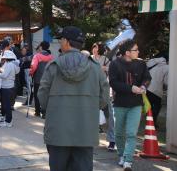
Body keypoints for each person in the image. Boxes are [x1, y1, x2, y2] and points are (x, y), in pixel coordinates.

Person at [38, 26, 109, 171]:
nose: (60, 43)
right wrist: (89, 108)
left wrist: (53, 110)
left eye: (61, 40)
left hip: (58, 130)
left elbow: (42, 96)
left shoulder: (53, 66)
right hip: (85, 130)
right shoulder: (95, 68)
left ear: (66, 42)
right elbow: (104, 98)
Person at [109, 40, 151, 170]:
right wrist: (131, 88)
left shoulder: (141, 63)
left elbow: (147, 77)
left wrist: (144, 86)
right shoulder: (115, 64)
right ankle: (121, 155)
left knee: (132, 133)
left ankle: (128, 160)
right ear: (127, 53)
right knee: (119, 133)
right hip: (120, 103)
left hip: (136, 104)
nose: (138, 52)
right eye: (135, 50)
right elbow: (113, 83)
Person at [92, 42, 115, 151]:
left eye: (95, 47)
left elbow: (112, 71)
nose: (94, 49)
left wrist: (105, 68)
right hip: (91, 91)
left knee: (109, 115)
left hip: (104, 90)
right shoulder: (89, 58)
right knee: (90, 115)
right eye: (93, 47)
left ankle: (112, 140)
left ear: (99, 48)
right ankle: (90, 139)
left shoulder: (105, 59)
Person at [0, 50, 20, 127]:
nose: (3, 59)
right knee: (7, 104)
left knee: (6, 105)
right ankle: (7, 120)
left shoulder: (8, 64)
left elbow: (4, 75)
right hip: (10, 86)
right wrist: (0, 70)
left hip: (6, 87)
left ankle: (8, 122)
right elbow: (7, 73)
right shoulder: (13, 64)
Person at [30, 41, 53, 118]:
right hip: (48, 79)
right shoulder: (51, 57)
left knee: (37, 95)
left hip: (38, 78)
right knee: (46, 95)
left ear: (41, 47)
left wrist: (31, 73)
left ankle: (37, 112)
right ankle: (44, 112)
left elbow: (33, 66)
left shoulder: (37, 56)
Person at [146, 55, 168, 129]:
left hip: (148, 88)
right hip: (157, 91)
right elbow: (166, 82)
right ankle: (153, 122)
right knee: (157, 107)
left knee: (149, 106)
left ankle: (148, 121)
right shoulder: (166, 68)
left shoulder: (153, 64)